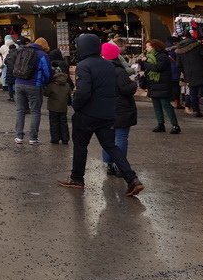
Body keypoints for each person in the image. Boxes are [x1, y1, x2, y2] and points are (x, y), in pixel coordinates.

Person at [58, 33, 144, 197]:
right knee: (111, 146)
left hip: (88, 114)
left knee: (81, 146)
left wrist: (76, 105)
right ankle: (132, 179)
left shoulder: (84, 65)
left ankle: (77, 178)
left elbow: (83, 92)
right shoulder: (109, 65)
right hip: (108, 113)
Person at [100, 42, 139, 178]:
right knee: (121, 137)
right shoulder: (118, 71)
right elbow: (126, 89)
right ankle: (119, 165)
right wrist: (134, 83)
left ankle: (109, 164)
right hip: (121, 108)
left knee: (108, 139)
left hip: (105, 108)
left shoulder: (99, 70)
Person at [13, 37, 52, 146]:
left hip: (18, 83)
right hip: (34, 84)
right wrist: (45, 83)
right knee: (35, 111)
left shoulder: (22, 50)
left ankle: (18, 136)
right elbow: (47, 73)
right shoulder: (42, 55)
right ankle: (33, 138)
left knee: (20, 110)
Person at [140, 39, 180, 134]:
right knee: (156, 105)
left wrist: (145, 64)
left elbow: (158, 68)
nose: (146, 48)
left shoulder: (163, 56)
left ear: (154, 47)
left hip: (163, 84)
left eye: (148, 46)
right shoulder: (149, 57)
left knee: (166, 105)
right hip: (153, 84)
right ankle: (160, 124)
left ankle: (175, 125)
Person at [175, 33, 203, 118]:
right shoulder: (198, 46)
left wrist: (185, 71)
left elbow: (178, 65)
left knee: (193, 92)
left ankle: (196, 111)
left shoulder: (179, 50)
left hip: (190, 74)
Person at [43, 59, 72, 145]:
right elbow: (69, 93)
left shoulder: (52, 85)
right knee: (64, 123)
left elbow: (46, 93)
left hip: (53, 107)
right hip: (63, 107)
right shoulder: (67, 85)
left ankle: (55, 139)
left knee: (54, 123)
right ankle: (65, 139)